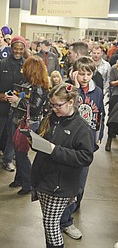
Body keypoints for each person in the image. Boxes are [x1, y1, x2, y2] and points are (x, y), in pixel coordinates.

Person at [31, 83, 94, 248]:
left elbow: (85, 157)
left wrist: (54, 150)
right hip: (44, 180)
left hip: (61, 185)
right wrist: (35, 141)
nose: (54, 108)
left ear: (71, 102)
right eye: (52, 105)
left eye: (58, 105)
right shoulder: (51, 118)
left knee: (51, 225)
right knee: (48, 222)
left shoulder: (82, 128)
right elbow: (42, 137)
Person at [60, 56, 105, 240]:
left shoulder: (98, 92)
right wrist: (75, 87)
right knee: (66, 183)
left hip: (87, 145)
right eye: (81, 73)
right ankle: (64, 220)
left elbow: (99, 114)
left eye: (88, 74)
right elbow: (64, 112)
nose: (85, 77)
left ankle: (68, 217)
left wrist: (98, 137)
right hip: (69, 143)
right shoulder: (68, 90)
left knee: (79, 186)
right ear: (74, 73)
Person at [0, 36, 27, 172]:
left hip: (17, 109)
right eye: (15, 49)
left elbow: (31, 86)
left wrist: (21, 97)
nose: (18, 52)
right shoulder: (1, 64)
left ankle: (8, 160)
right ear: (11, 48)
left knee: (12, 137)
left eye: (20, 49)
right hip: (0, 107)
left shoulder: (27, 66)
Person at [8, 56, 49, 195]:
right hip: (21, 121)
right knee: (18, 152)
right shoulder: (30, 84)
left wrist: (17, 100)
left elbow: (35, 108)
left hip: (29, 124)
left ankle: (28, 184)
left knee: (21, 154)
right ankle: (20, 179)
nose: (22, 70)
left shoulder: (39, 88)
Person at [105, 59, 118, 151]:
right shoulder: (114, 68)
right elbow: (111, 83)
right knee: (113, 118)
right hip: (116, 94)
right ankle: (109, 139)